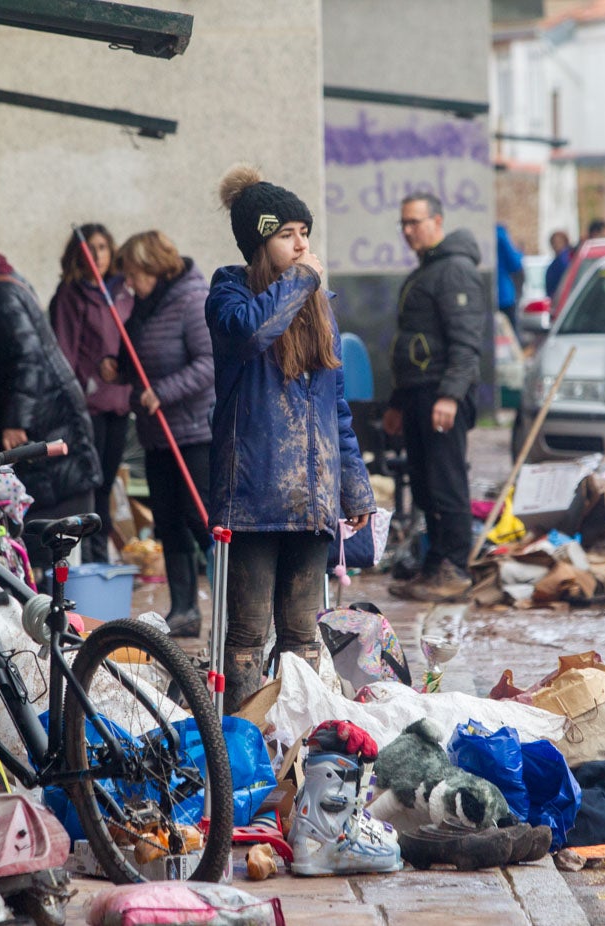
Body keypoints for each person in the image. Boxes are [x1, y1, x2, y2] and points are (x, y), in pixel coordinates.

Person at [206, 165, 375, 712]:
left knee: (303, 637)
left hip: (312, 500)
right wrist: (302, 281)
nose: (302, 245)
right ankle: (240, 746)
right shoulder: (228, 292)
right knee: (247, 638)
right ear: (260, 242)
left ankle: (297, 748)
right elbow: (252, 331)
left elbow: (338, 408)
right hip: (255, 497)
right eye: (287, 235)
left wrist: (355, 486)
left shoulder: (317, 305)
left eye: (305, 232)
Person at [0, 223, 100, 567]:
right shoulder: (3, 286)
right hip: (53, 422)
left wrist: (17, 418)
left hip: (46, 428)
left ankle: (59, 614)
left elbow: (28, 356)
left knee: (52, 544)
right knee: (54, 543)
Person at [110, 230, 214, 638]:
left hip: (192, 432)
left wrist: (164, 392)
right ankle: (184, 609)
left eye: (133, 273)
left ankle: (230, 603)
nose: (129, 283)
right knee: (168, 522)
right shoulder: (143, 307)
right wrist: (115, 368)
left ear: (153, 266)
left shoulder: (191, 300)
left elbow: (209, 364)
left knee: (199, 519)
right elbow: (136, 356)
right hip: (157, 434)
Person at [383, 192, 485, 602]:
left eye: (415, 222)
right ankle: (434, 565)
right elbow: (408, 344)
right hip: (417, 394)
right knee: (425, 484)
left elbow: (466, 342)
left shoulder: (455, 271)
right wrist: (397, 402)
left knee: (446, 482)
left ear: (437, 221)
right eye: (403, 224)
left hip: (441, 395)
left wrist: (450, 396)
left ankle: (455, 569)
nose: (408, 231)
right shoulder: (426, 271)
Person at [48, 223, 133, 564]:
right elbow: (64, 352)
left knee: (108, 479)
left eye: (102, 247)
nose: (96, 255)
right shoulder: (71, 295)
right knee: (92, 482)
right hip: (89, 405)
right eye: (89, 248)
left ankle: (101, 553)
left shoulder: (123, 291)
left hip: (121, 400)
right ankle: (93, 556)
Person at [495, 223, 525, 332]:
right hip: (503, 295)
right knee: (508, 333)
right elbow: (515, 264)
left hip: (482, 295)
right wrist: (520, 253)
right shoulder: (500, 234)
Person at [544, 229, 573, 298]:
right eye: (554, 243)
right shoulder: (554, 264)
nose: (556, 245)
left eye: (559, 242)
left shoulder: (565, 259)